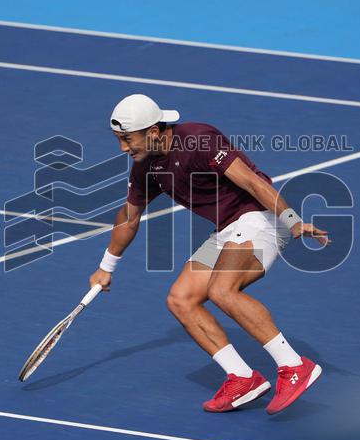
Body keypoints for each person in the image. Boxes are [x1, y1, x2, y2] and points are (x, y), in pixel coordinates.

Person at [89, 94, 328, 415]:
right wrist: (107, 266)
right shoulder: (145, 168)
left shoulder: (198, 140)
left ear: (154, 130)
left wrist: (292, 220)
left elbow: (251, 182)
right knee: (181, 299)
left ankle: (294, 365)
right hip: (229, 228)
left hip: (261, 217)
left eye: (127, 139)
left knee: (221, 290)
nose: (123, 148)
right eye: (119, 140)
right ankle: (243, 378)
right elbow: (129, 217)